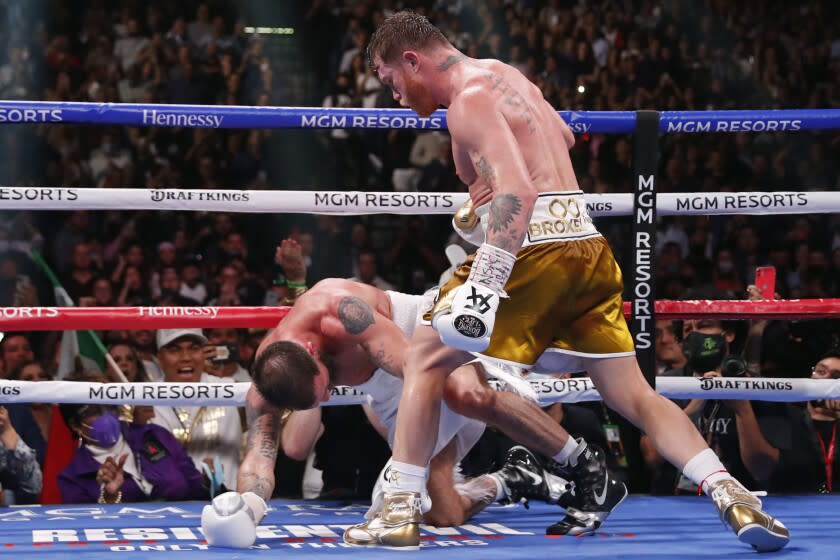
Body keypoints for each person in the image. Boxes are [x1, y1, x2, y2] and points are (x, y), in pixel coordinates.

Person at [354, 11, 788, 552]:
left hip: (533, 251)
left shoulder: (466, 102)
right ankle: (732, 492)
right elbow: (560, 135)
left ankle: (399, 513)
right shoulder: (504, 75)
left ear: (412, 61)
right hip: (588, 247)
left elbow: (519, 192)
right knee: (633, 395)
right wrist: (479, 185)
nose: (395, 97)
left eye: (391, 81)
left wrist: (485, 288)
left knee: (422, 356)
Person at [201, 278, 612, 549]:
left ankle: (582, 462)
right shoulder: (267, 384)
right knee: (442, 512)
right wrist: (247, 507)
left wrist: (398, 487)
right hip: (388, 391)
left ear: (312, 350)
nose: (328, 399)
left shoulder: (342, 312)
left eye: (325, 388)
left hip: (417, 337)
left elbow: (420, 371)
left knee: (464, 393)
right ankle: (508, 480)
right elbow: (262, 455)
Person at [58, 401, 206, 503]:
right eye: (94, 411)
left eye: (109, 406)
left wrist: (209, 483)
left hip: (181, 535)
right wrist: (110, 498)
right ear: (75, 424)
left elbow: (195, 488)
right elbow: (87, 529)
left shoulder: (155, 435)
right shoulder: (72, 478)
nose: (106, 416)